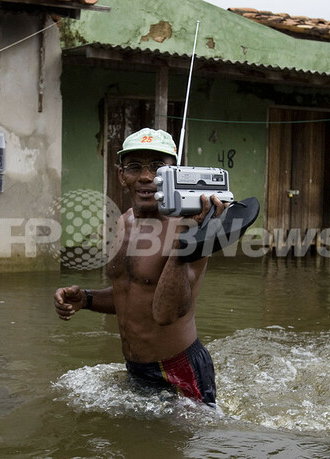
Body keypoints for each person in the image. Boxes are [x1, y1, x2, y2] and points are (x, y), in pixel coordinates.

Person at [53, 127, 225, 406]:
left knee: (192, 435)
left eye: (157, 166)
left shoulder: (193, 228)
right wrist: (86, 298)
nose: (146, 176)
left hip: (180, 370)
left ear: (174, 173)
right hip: (136, 367)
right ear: (122, 175)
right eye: (134, 167)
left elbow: (167, 312)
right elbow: (130, 294)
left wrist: (181, 241)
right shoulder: (123, 223)